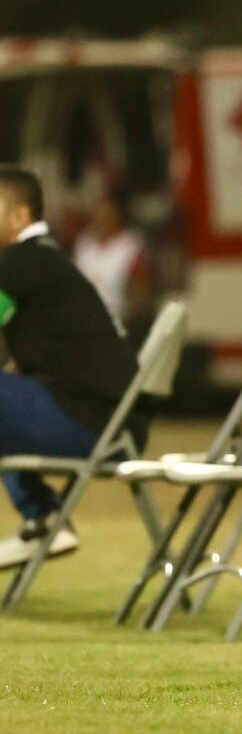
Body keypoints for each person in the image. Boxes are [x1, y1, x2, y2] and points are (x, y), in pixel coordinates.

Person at [0, 166, 143, 568]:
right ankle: (43, 519)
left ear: (20, 216)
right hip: (115, 425)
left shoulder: (20, 263)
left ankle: (42, 515)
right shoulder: (43, 260)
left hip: (95, 425)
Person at [73, 186, 152, 332]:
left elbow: (141, 293)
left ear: (118, 215)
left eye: (108, 214)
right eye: (99, 213)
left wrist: (131, 321)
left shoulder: (131, 245)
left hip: (119, 324)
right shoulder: (84, 243)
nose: (102, 219)